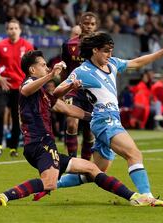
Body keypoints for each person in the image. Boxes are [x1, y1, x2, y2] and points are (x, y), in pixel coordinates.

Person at [0, 50, 163, 207]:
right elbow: (25, 90)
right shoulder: (27, 84)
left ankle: (135, 197)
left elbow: (67, 109)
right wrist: (50, 76)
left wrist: (92, 114)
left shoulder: (43, 95)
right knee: (49, 182)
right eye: (43, 65)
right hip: (39, 145)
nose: (47, 68)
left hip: (47, 146)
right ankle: (4, 196)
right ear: (32, 70)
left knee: (92, 168)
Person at [50, 32, 163, 201]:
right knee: (134, 154)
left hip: (110, 120)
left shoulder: (113, 63)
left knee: (93, 172)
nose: (110, 55)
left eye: (111, 50)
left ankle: (50, 184)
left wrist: (162, 52)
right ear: (95, 50)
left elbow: (136, 62)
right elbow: (56, 92)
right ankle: (147, 197)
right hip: (104, 120)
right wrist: (71, 85)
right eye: (106, 51)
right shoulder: (82, 71)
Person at [0, 18, 34, 157]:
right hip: (3, 85)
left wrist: (28, 81)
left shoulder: (28, 46)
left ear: (20, 30)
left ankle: (13, 148)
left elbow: (34, 66)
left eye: (15, 28)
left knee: (16, 116)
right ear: (7, 30)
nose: (13, 31)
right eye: (10, 28)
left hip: (20, 87)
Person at [61, 12, 98, 160]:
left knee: (89, 132)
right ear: (80, 25)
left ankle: (85, 164)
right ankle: (71, 161)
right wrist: (63, 89)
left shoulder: (100, 45)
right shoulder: (69, 45)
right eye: (86, 23)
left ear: (96, 26)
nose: (89, 26)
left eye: (92, 24)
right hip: (73, 91)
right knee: (71, 124)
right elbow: (65, 69)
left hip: (93, 92)